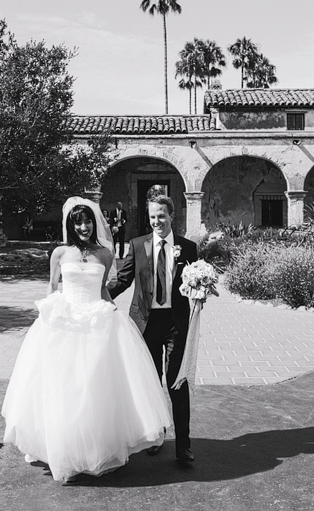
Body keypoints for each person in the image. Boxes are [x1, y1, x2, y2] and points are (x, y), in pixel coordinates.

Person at [1, 197, 172, 483]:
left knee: (95, 386)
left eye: (88, 221)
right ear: (70, 224)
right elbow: (52, 286)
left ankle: (98, 448)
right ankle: (63, 448)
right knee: (63, 386)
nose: (83, 226)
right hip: (65, 322)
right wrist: (48, 312)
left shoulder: (105, 254)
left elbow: (104, 289)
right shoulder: (59, 253)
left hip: (96, 321)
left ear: (95, 223)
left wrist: (114, 313)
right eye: (78, 222)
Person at [109, 193, 199, 463]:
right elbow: (123, 280)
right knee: (149, 382)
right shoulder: (137, 245)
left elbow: (194, 281)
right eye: (152, 217)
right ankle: (157, 436)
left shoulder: (188, 247)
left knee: (176, 384)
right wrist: (95, 296)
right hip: (144, 324)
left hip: (175, 323)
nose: (157, 221)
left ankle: (183, 446)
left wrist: (202, 291)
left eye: (161, 215)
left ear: (172, 216)